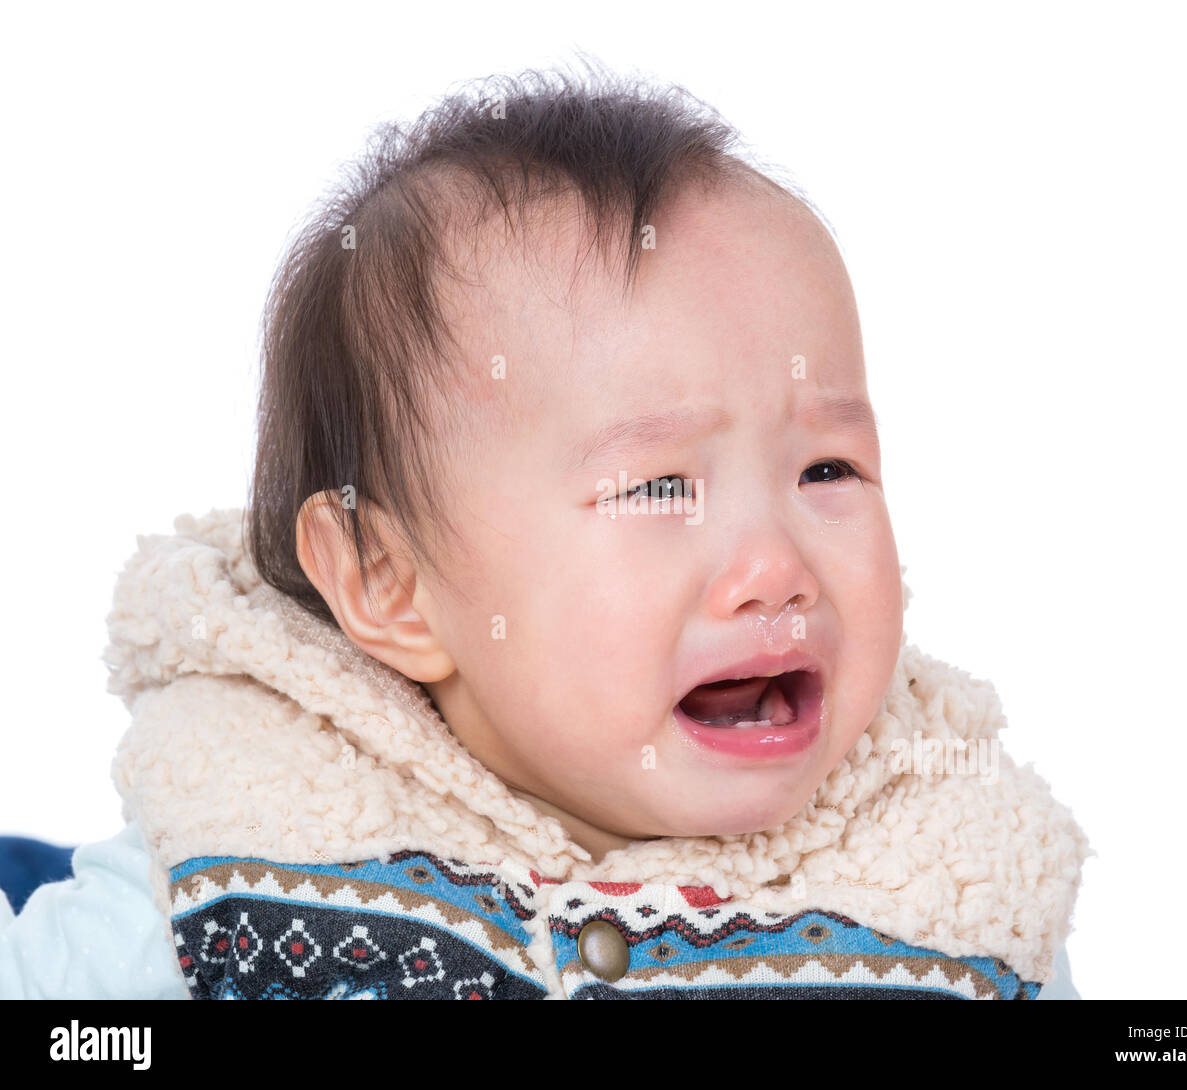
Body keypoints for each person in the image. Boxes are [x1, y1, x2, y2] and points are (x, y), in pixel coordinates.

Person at [1, 59, 1089, 1000]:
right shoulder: (236, 847)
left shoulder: (949, 881)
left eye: (827, 468)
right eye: (660, 488)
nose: (776, 569)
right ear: (388, 580)